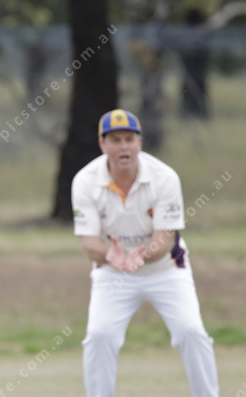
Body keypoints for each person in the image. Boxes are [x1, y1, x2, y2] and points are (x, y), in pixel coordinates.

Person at [71, 109, 219, 397]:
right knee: (99, 337)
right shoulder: (85, 180)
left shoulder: (164, 177)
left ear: (139, 142)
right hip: (113, 272)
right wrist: (111, 256)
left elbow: (164, 240)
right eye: (115, 140)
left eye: (129, 139)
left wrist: (140, 256)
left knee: (191, 332)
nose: (123, 147)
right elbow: (88, 242)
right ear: (102, 144)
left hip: (165, 269)